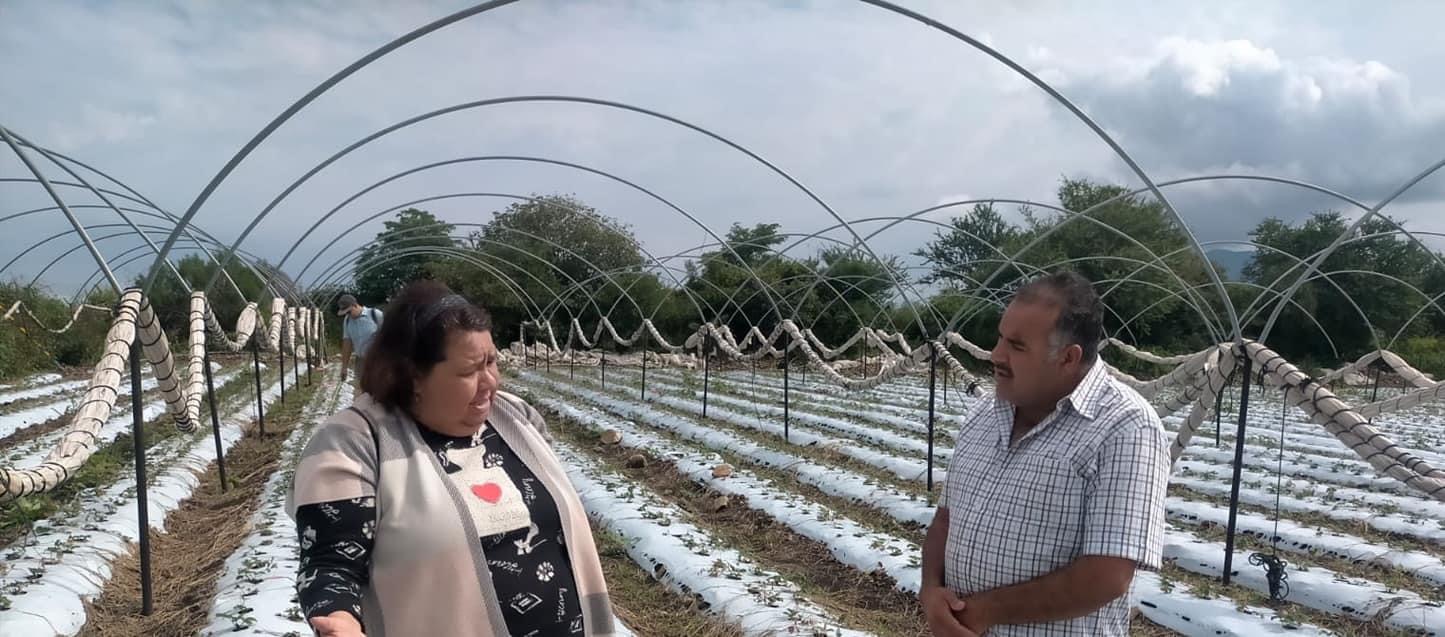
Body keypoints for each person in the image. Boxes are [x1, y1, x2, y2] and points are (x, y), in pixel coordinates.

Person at [288, 281, 615, 637]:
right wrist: (340, 620)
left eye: (491, 361)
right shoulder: (356, 442)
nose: (489, 381)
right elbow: (330, 564)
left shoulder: (518, 419)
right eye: (468, 371)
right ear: (413, 375)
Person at [921, 271, 1169, 636]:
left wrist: (983, 613)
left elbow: (1105, 576)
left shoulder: (1125, 427)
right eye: (1001, 337)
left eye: (1017, 346)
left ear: (1068, 358)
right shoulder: (983, 415)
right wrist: (930, 591)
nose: (996, 355)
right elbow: (945, 521)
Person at [336, 294, 382, 385]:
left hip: (378, 361)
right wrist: (344, 367)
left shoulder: (375, 314)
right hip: (361, 362)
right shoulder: (347, 321)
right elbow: (347, 343)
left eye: (349, 312)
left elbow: (390, 335)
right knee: (365, 390)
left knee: (379, 389)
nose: (347, 315)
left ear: (355, 305)